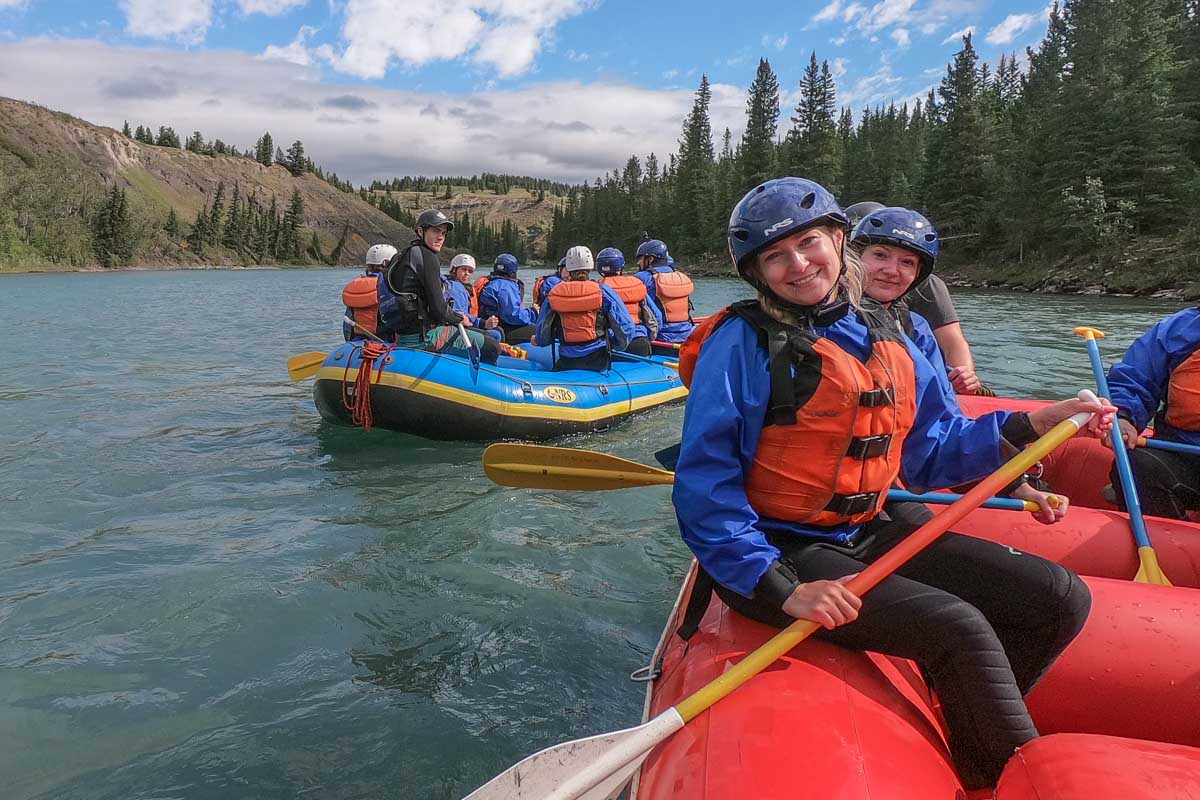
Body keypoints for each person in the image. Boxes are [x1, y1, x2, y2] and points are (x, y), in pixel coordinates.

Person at [673, 177, 1113, 789]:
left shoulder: (888, 333)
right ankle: (997, 778)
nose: (798, 265)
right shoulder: (741, 342)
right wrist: (780, 587)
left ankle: (971, 724)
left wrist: (1032, 422)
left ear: (838, 239)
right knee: (960, 626)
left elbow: (932, 452)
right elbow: (705, 483)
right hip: (778, 548)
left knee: (1059, 596)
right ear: (756, 273)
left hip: (865, 528)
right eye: (775, 256)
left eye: (808, 243)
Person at [845, 200, 983, 395]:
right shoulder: (824, 313)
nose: (891, 271)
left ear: (918, 272)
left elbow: (952, 342)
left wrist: (963, 378)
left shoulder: (918, 327)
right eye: (880, 255)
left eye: (907, 262)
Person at [1104, 308, 1200, 519]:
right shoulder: (1180, 330)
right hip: (1184, 454)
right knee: (1136, 465)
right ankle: (1168, 536)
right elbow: (1134, 380)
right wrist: (1123, 416)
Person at [377, 209, 500, 364]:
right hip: (425, 338)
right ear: (421, 231)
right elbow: (439, 309)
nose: (441, 237)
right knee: (492, 346)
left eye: (443, 233)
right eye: (435, 231)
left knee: (482, 335)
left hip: (403, 335)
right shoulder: (427, 257)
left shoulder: (402, 257)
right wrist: (459, 318)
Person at [536, 245, 634, 371]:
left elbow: (542, 337)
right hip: (598, 360)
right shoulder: (603, 292)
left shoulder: (554, 294)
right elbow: (626, 328)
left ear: (568, 268)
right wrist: (615, 345)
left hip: (567, 360)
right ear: (590, 267)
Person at [597, 246, 661, 356]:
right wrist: (650, 338)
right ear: (621, 266)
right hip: (641, 340)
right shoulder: (635, 284)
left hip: (614, 344)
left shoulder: (598, 289)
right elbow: (656, 316)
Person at [634, 238, 695, 343]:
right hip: (686, 333)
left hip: (660, 336)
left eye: (641, 258)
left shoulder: (641, 278)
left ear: (650, 259)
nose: (638, 262)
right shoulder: (680, 276)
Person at [478, 253, 538, 343]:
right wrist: (533, 312)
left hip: (493, 325)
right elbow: (512, 316)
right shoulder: (505, 287)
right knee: (538, 330)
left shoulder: (491, 282)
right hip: (503, 328)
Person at [341, 243, 396, 341]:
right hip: (385, 342)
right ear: (386, 263)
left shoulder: (356, 287)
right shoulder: (390, 286)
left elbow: (347, 327)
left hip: (357, 343)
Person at [445, 253, 502, 341]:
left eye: (470, 271)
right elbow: (459, 313)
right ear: (454, 269)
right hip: (456, 327)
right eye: (463, 269)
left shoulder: (462, 287)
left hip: (463, 324)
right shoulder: (454, 287)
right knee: (496, 334)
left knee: (497, 330)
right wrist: (483, 323)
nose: (467, 274)